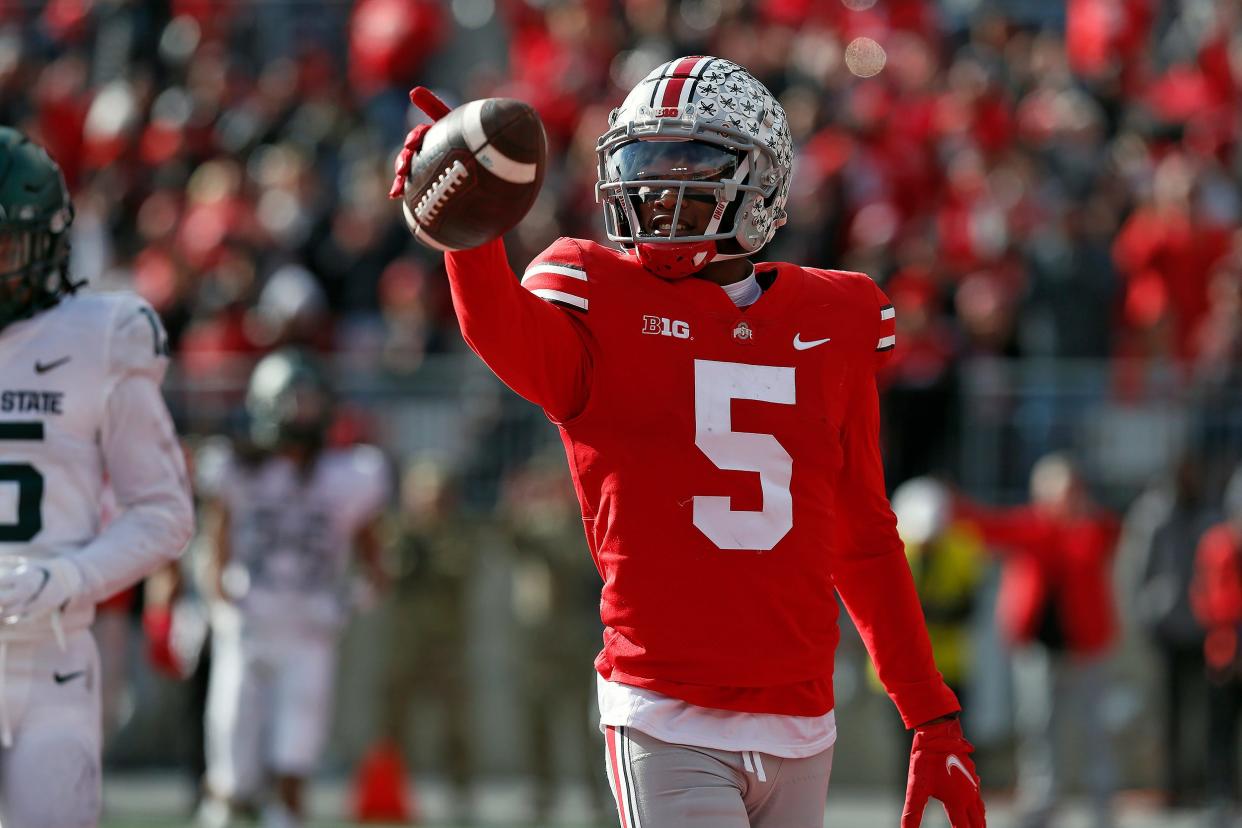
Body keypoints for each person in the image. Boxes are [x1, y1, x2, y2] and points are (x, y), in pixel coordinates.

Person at [391, 58, 985, 828]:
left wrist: (929, 710)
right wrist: (469, 236)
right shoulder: (595, 290)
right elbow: (503, 332)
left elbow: (863, 536)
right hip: (666, 710)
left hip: (801, 714)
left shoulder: (833, 316)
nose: (658, 187)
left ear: (762, 183)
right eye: (643, 161)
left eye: (689, 162)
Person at [0, 127, 195, 828]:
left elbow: (165, 515)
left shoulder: (99, 335)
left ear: (44, 245)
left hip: (53, 661)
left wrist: (70, 576)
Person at [198, 349, 390, 828]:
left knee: (294, 766)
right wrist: (220, 603)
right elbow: (214, 544)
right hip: (250, 629)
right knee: (230, 771)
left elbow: (375, 563)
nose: (302, 412)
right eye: (292, 401)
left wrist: (346, 603)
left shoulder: (347, 474)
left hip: (308, 633)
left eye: (309, 401)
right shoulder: (237, 467)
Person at [954, 453, 1119, 828]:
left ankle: (1101, 807)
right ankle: (1042, 801)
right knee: (1037, 729)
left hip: (1085, 648)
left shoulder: (1091, 528)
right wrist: (955, 504)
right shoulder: (1035, 527)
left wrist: (1079, 518)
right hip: (1037, 649)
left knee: (1095, 730)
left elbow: (1102, 540)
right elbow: (990, 528)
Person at [1192, 464, 1242, 828]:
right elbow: (1209, 600)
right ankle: (1220, 797)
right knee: (1220, 731)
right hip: (1225, 652)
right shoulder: (1218, 544)